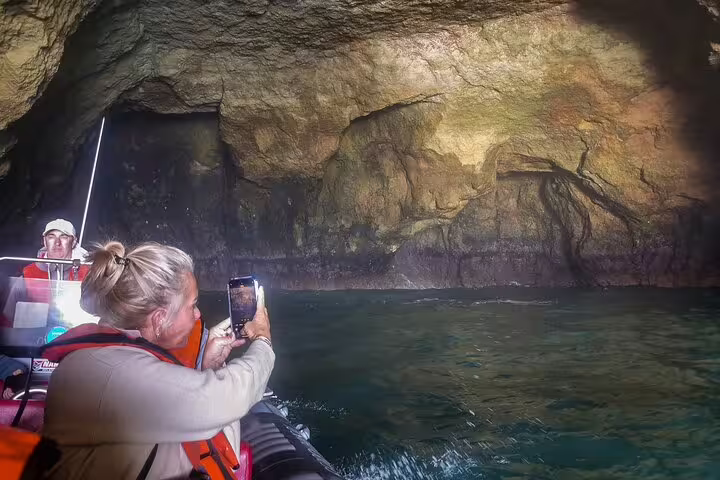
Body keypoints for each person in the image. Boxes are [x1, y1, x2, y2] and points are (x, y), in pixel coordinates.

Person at [40, 241, 275, 479]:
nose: (198, 314)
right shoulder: (116, 374)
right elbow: (226, 396)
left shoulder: (107, 358)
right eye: (192, 305)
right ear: (160, 319)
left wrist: (209, 367)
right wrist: (262, 340)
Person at [22, 219, 90, 305]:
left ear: (73, 242)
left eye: (64, 237)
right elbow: (8, 315)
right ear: (44, 242)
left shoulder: (89, 272)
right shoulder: (29, 272)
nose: (57, 242)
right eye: (51, 237)